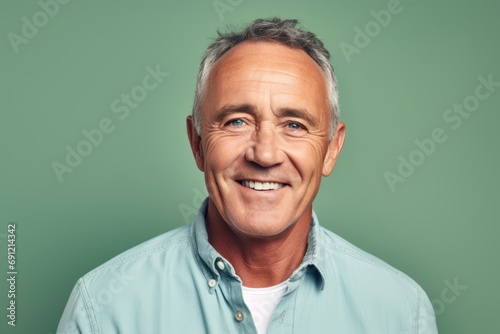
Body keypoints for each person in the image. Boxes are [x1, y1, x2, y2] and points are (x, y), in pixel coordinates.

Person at [57, 18, 438, 334]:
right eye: (237, 121)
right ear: (197, 143)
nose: (265, 154)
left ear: (331, 150)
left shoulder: (401, 313)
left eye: (294, 125)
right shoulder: (104, 308)